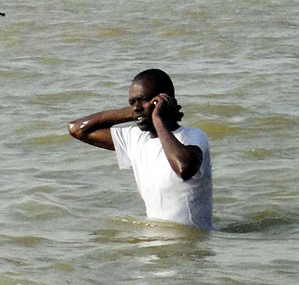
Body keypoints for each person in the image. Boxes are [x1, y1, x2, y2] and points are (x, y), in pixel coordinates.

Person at [68, 68, 214, 230]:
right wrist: (137, 111)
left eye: (143, 99)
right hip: (151, 244)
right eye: (131, 102)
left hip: (190, 249)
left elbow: (184, 168)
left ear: (165, 100)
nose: (136, 107)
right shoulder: (135, 139)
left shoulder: (192, 137)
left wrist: (158, 119)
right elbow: (77, 129)